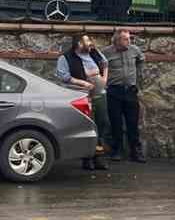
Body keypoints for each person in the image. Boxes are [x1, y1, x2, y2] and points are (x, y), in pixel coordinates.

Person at [54, 33, 109, 171]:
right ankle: (87, 158)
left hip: (100, 95)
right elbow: (63, 76)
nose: (90, 43)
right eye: (87, 41)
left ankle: (98, 156)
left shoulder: (94, 53)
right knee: (88, 127)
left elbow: (105, 63)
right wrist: (82, 83)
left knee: (102, 125)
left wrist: (104, 79)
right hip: (83, 97)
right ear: (79, 44)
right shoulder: (65, 58)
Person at [106, 28, 146, 163]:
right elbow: (100, 67)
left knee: (132, 123)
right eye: (126, 39)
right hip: (114, 91)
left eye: (129, 38)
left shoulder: (134, 50)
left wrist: (138, 80)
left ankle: (136, 152)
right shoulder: (106, 52)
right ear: (117, 40)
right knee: (115, 122)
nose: (129, 41)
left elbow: (141, 60)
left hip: (130, 90)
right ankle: (117, 150)